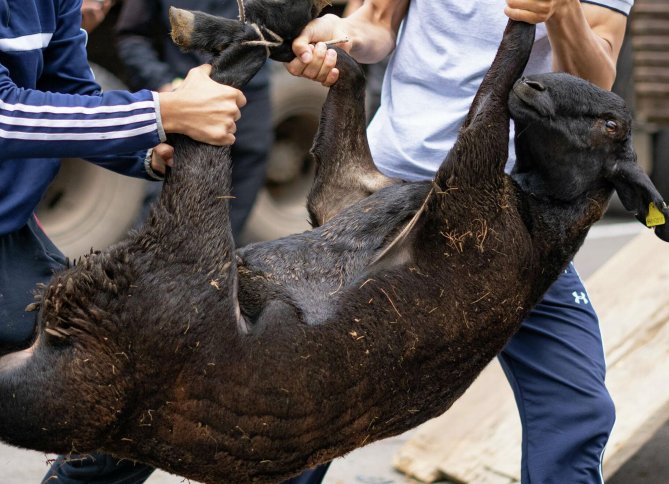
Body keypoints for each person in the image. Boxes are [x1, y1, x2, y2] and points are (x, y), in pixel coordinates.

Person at [287, 0, 630, 481]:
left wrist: (563, 11)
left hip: (513, 211)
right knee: (318, 391)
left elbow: (593, 88)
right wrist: (341, 36)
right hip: (394, 194)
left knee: (576, 409)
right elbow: (376, 22)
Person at [0, 0, 246, 481]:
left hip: (11, 236)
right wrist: (164, 109)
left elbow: (70, 90)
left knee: (139, 390)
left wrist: (152, 152)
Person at [115, 0, 273, 237]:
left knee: (239, 199)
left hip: (250, 97)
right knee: (165, 204)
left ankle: (222, 266)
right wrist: (163, 83)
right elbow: (132, 37)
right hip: (186, 101)